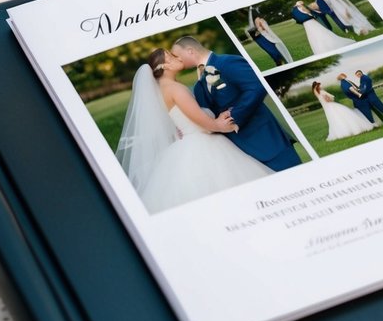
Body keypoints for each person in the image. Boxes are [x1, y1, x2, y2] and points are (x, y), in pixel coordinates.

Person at [115, 49, 272, 213]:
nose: (179, 58)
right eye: (173, 56)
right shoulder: (175, 88)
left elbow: (180, 119)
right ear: (166, 65)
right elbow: (200, 121)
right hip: (201, 143)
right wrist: (219, 124)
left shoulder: (161, 91)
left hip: (186, 142)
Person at [171, 36, 301, 171]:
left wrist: (234, 117)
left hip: (266, 141)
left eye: (177, 56)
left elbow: (256, 87)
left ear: (190, 51)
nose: (176, 59)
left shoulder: (228, 62)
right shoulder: (199, 84)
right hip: (237, 152)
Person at [312, 80, 376, 141]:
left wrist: (315, 89)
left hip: (327, 109)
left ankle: (341, 132)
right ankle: (351, 129)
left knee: (335, 119)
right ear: (317, 86)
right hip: (331, 106)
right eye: (319, 85)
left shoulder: (317, 94)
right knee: (343, 116)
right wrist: (329, 98)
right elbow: (330, 98)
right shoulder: (322, 92)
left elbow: (321, 96)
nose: (320, 86)